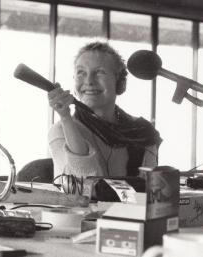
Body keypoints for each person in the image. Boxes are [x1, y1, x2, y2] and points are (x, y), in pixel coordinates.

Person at [47, 41, 162, 179]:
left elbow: (151, 187)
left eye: (99, 72)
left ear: (120, 83)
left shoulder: (142, 131)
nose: (89, 81)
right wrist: (66, 118)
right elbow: (82, 187)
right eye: (81, 72)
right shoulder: (61, 130)